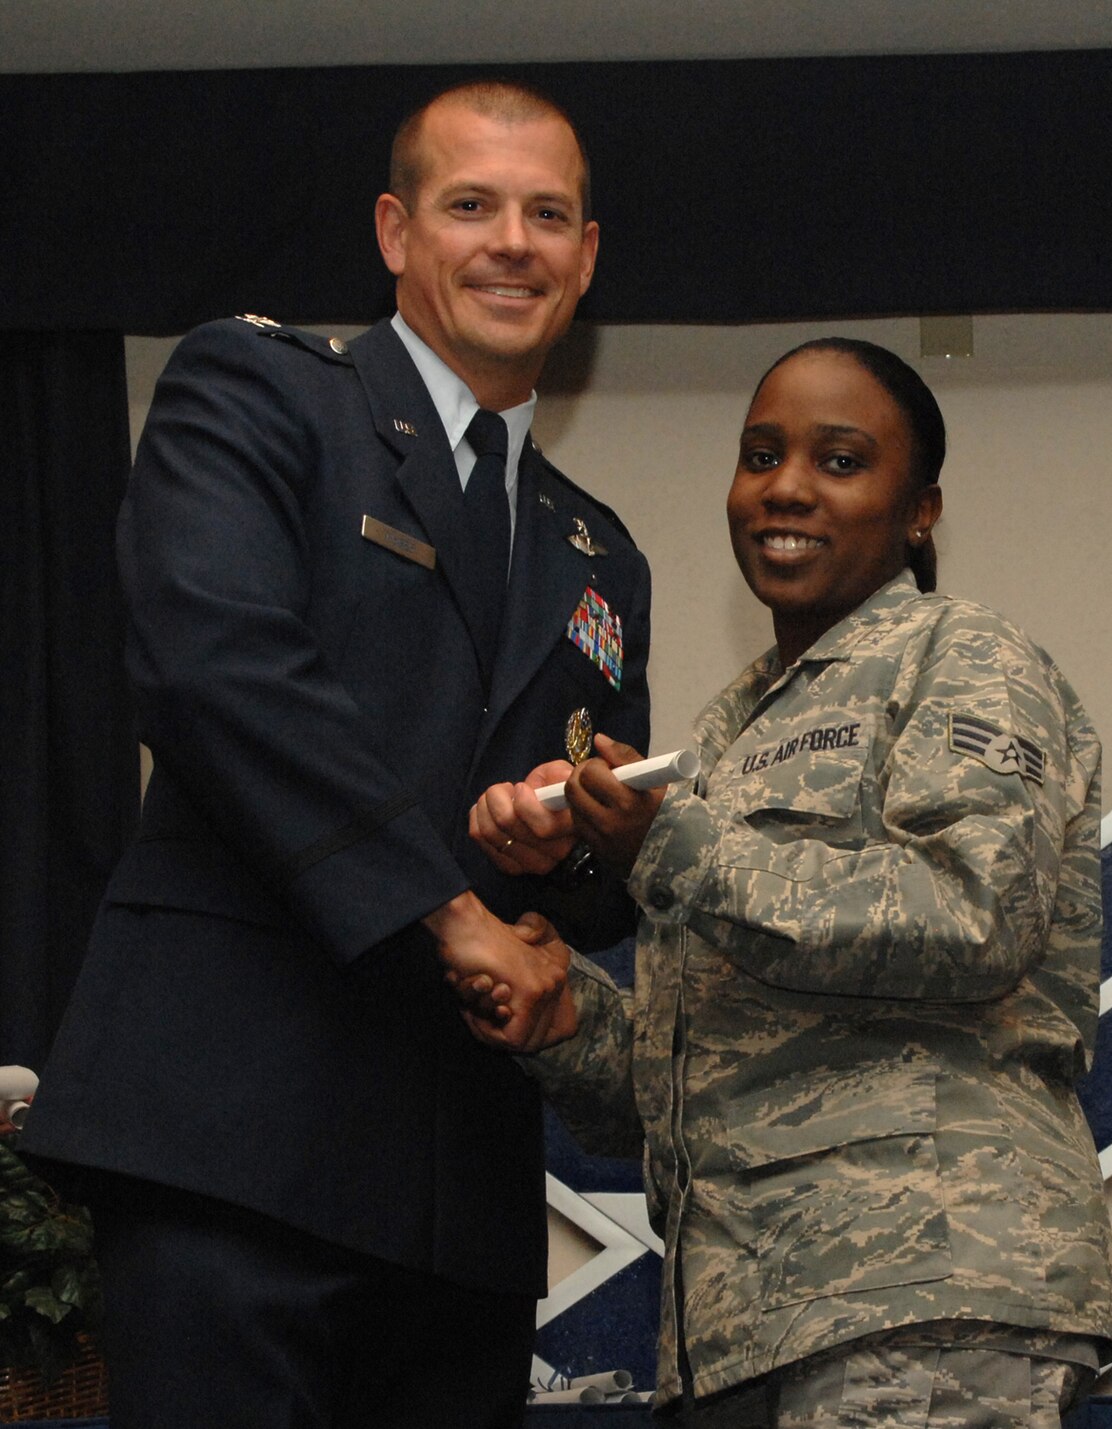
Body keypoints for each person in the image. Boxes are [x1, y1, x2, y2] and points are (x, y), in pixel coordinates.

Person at [23, 80, 650, 1428]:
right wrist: (451, 909)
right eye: (471, 205)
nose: (513, 242)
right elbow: (221, 673)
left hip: (458, 1204)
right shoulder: (259, 390)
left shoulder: (598, 551)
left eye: (550, 215)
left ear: (587, 258)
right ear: (394, 230)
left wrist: (580, 843)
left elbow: (587, 893)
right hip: (230, 1144)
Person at [466, 338, 1112, 1427]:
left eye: (840, 459)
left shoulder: (963, 657)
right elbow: (701, 1084)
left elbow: (972, 918)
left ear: (921, 510)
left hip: (920, 1301)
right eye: (760, 453)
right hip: (741, 1326)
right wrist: (560, 1010)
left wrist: (665, 847)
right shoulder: (726, 732)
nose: (786, 487)